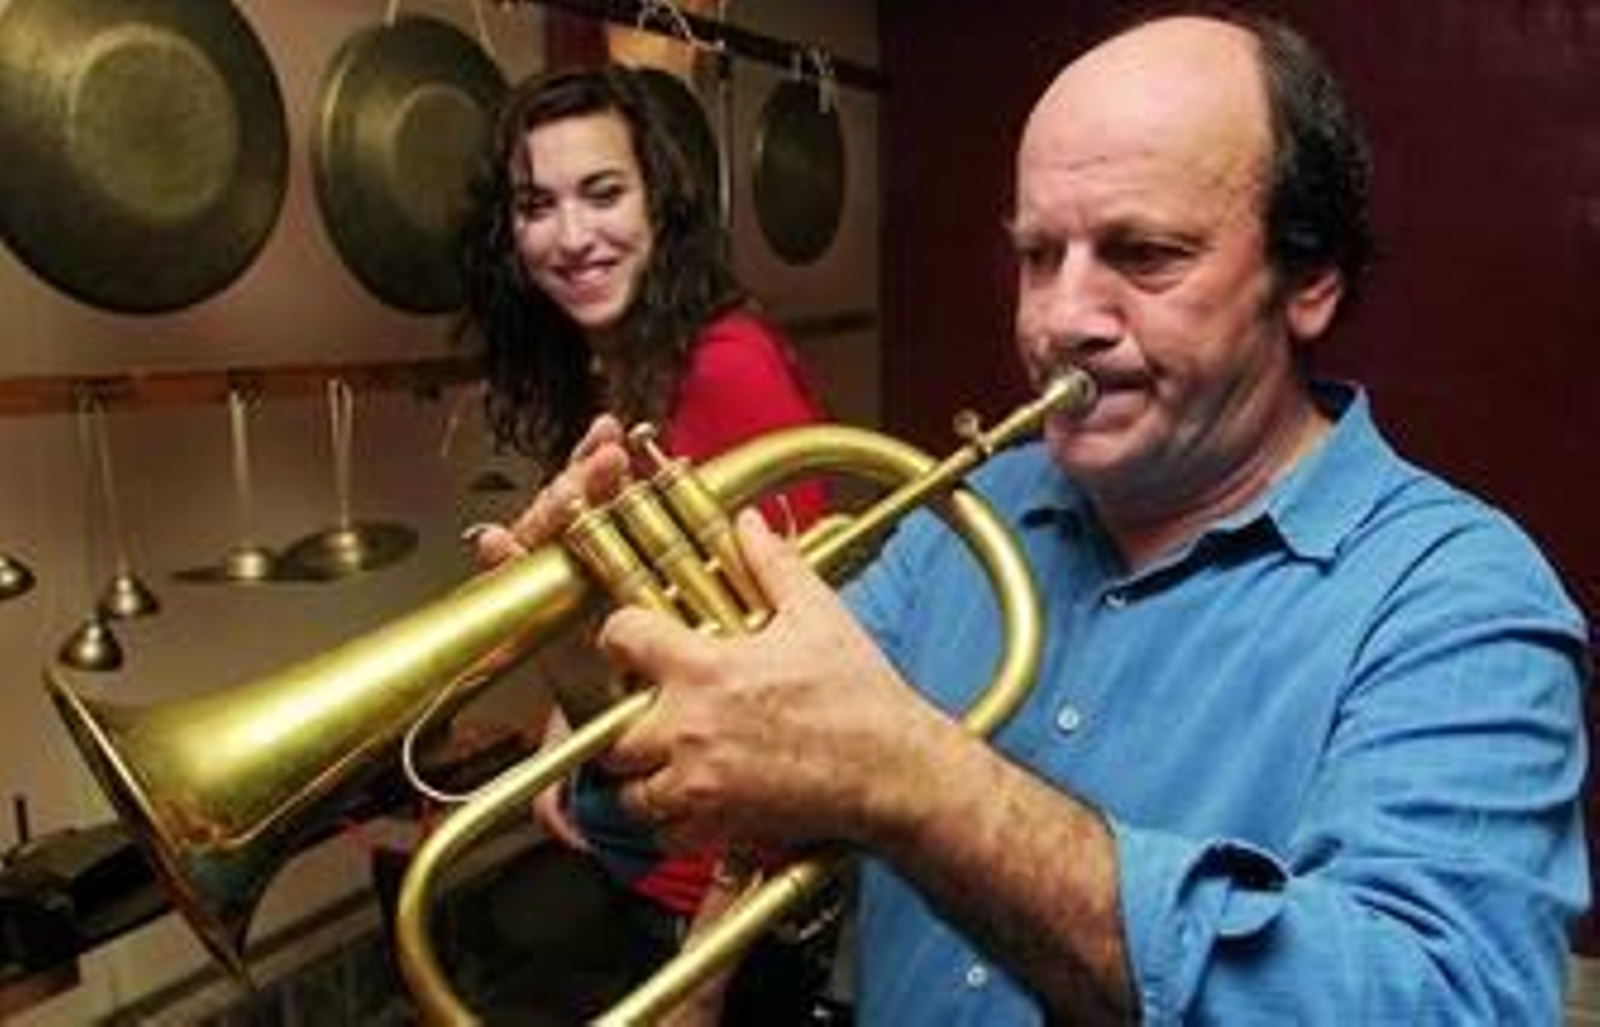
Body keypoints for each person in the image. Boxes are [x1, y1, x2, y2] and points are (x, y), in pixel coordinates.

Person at [490, 12, 1592, 1025]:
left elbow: (1442, 1002)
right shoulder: (960, 524)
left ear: (1308, 279)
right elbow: (704, 818)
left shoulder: (1457, 598)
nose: (1061, 320)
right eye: (1035, 255)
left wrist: (914, 783)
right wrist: (600, 673)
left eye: (1144, 255)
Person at [455, 65, 831, 1022]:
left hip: (720, 896)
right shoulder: (616, 363)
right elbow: (637, 594)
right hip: (645, 839)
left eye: (604, 192)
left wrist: (702, 974)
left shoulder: (726, 367)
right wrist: (563, 734)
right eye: (537, 204)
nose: (572, 237)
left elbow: (809, 692)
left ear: (661, 204)